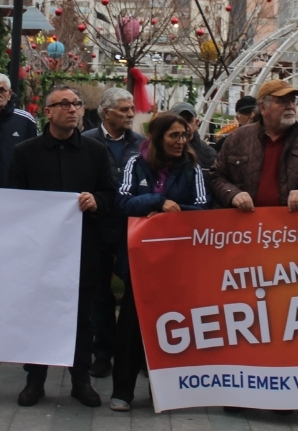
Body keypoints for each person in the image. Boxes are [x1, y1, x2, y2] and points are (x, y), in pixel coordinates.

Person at [7, 85, 117, 409]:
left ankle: (80, 380)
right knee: (38, 314)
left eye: (77, 104)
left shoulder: (95, 152)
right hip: (38, 252)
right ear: (48, 112)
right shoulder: (25, 152)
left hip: (83, 250)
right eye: (65, 104)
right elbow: (13, 199)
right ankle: (35, 379)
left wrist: (96, 201)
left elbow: (110, 194)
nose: (73, 109)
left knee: (82, 318)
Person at [109, 112, 210, 411]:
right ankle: (122, 391)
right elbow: (122, 201)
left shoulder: (192, 167)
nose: (181, 141)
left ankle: (165, 390)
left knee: (172, 326)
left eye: (184, 135)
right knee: (130, 326)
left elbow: (203, 207)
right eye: (173, 135)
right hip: (139, 261)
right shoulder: (135, 163)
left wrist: (170, 213)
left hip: (177, 262)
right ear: (157, 138)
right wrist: (155, 202)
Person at [82, 87, 143, 378]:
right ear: (106, 112)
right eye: (124, 109)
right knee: (100, 293)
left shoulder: (141, 144)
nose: (130, 114)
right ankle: (103, 352)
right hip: (98, 226)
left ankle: (134, 354)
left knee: (136, 292)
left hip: (133, 227)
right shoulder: (87, 142)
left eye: (131, 109)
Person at [210, 80, 298, 213]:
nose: (290, 106)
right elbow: (216, 176)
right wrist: (233, 194)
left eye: (293, 101)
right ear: (263, 108)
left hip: (295, 222)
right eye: (283, 102)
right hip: (247, 223)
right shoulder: (238, 138)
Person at [169, 103, 217, 169]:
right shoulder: (162, 153)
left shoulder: (210, 155)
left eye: (189, 120)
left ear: (196, 123)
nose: (185, 125)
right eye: (179, 121)